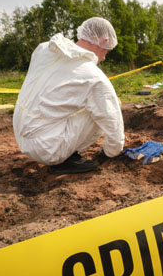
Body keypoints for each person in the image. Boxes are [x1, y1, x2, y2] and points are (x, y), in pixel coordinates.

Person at [13, 17, 125, 174]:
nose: (104, 57)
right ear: (103, 41)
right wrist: (110, 152)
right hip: (48, 150)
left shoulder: (44, 49)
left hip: (21, 136)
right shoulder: (92, 76)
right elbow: (113, 123)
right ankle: (65, 158)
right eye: (106, 51)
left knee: (93, 102)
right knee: (108, 104)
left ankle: (61, 149)